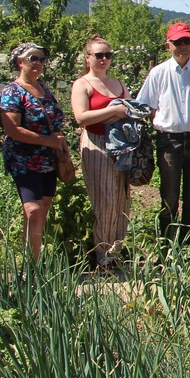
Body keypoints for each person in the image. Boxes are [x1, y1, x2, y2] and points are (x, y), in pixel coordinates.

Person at [137, 22, 190, 242]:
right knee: (169, 196)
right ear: (169, 45)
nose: (183, 46)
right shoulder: (158, 73)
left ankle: (189, 242)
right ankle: (167, 245)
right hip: (168, 140)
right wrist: (168, 124)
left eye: (187, 41)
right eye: (177, 42)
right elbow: (148, 107)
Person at [0, 42, 68, 261]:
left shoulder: (44, 89)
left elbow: (55, 123)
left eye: (42, 59)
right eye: (33, 58)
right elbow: (12, 129)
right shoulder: (12, 91)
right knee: (33, 210)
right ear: (19, 62)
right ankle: (30, 266)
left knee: (43, 209)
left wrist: (62, 148)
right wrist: (47, 140)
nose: (38, 63)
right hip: (24, 159)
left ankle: (34, 263)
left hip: (48, 159)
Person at [70, 35, 131, 269]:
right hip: (96, 144)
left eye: (108, 55)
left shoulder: (118, 83)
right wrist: (113, 110)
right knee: (104, 200)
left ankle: (116, 252)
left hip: (121, 146)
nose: (104, 59)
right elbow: (81, 117)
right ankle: (102, 255)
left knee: (121, 200)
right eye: (99, 55)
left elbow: (130, 109)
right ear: (88, 58)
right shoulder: (82, 84)